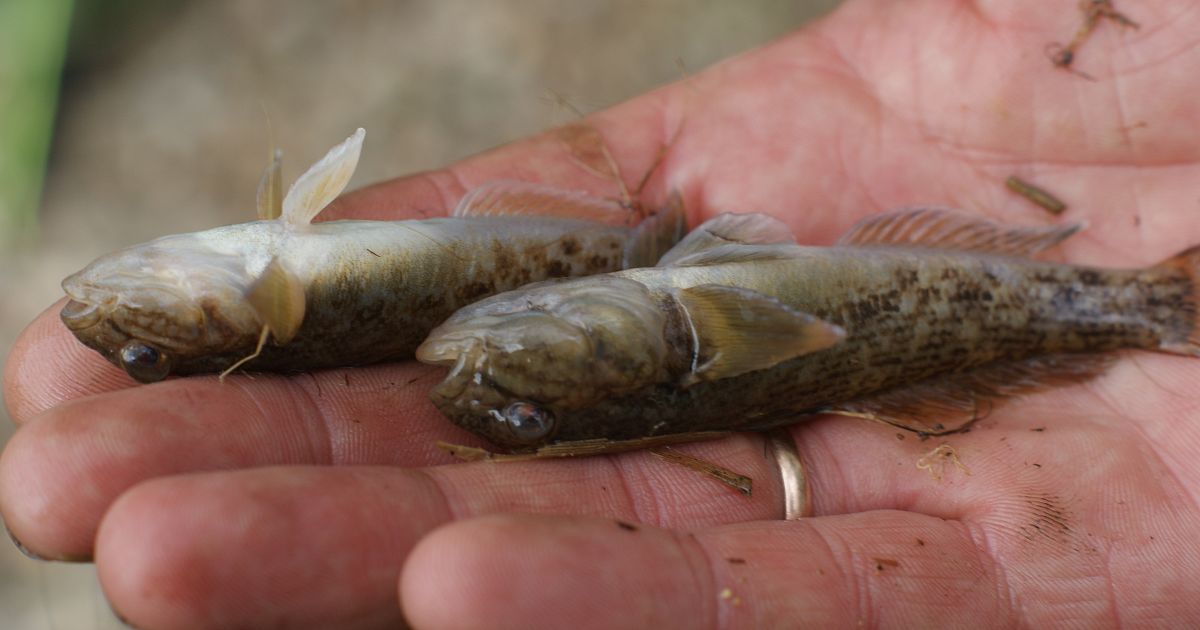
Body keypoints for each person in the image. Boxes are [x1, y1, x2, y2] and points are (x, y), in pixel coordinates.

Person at [4, 1, 1198, 627]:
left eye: (521, 383)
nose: (492, 365)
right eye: (537, 390)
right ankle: (1155, 310)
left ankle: (1151, 308)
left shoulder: (663, 306)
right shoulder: (675, 320)